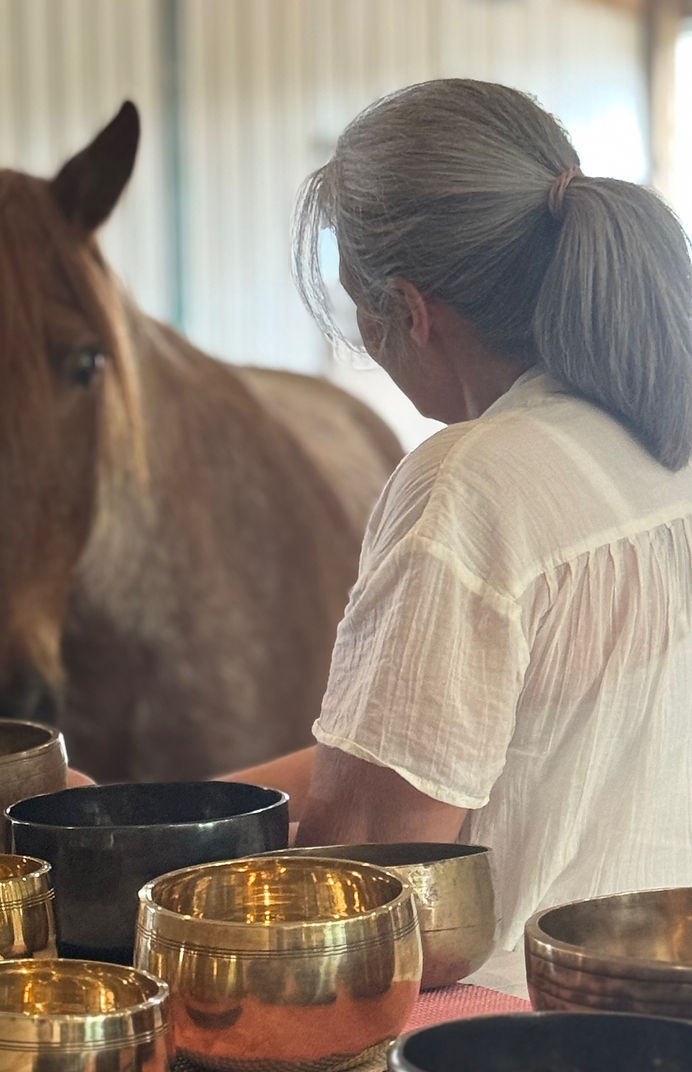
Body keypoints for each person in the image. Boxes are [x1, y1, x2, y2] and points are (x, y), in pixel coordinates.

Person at [227, 79, 692, 953]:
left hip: (519, 1042)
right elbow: (420, 757)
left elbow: (361, 870)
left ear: (409, 312)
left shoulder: (472, 488)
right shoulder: (660, 443)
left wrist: (138, 861)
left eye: (361, 315)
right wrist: (192, 801)